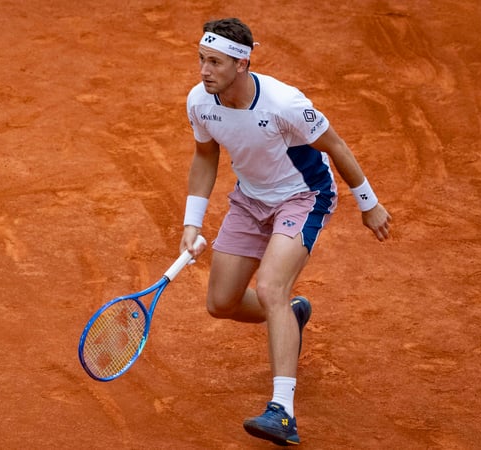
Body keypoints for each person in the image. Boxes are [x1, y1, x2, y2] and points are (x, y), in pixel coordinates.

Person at [180, 18, 391, 445]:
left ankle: (282, 411)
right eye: (202, 59)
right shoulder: (200, 101)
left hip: (303, 196)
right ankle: (290, 316)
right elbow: (205, 155)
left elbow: (335, 145)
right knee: (221, 303)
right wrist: (192, 221)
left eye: (215, 62)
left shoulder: (284, 104)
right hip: (250, 199)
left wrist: (369, 203)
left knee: (271, 287)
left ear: (241, 64)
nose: (204, 71)